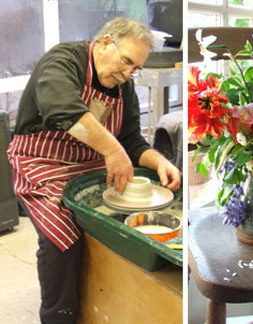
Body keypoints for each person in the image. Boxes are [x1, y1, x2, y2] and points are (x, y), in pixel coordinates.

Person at [6, 17, 181, 323]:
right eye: (126, 61)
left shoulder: (122, 86)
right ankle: (57, 315)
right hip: (42, 163)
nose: (127, 74)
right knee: (62, 235)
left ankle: (105, 303)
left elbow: (131, 141)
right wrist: (112, 151)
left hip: (91, 164)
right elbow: (62, 108)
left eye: (135, 68)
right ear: (104, 43)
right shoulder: (64, 60)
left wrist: (161, 161)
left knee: (119, 224)